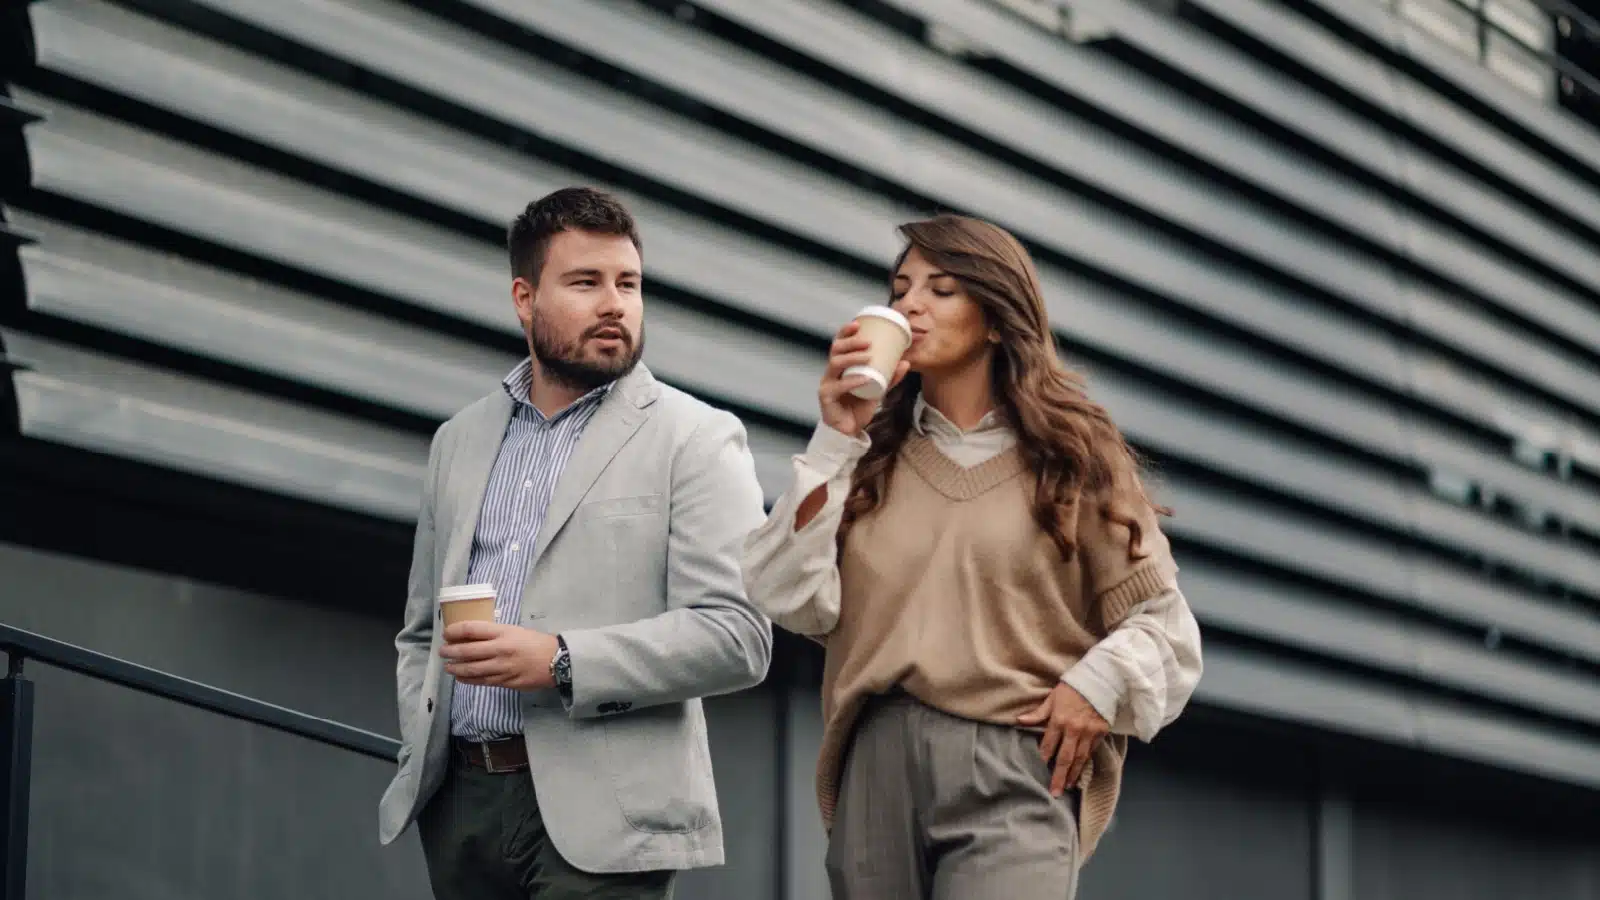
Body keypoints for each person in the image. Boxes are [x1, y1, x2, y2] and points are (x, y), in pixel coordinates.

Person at [742, 214, 1203, 898]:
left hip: (1016, 764)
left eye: (942, 288)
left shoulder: (1075, 461)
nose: (910, 305)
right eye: (901, 289)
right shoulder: (867, 459)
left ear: (995, 319)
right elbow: (786, 596)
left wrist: (1098, 684)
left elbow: (1168, 629)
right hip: (877, 763)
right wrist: (836, 436)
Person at [378, 186, 772, 899]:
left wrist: (560, 660)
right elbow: (418, 634)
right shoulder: (456, 442)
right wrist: (425, 741)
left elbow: (739, 636)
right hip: (461, 807)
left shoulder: (697, 437)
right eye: (586, 283)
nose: (615, 304)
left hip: (608, 819)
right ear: (524, 299)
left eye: (628, 284)